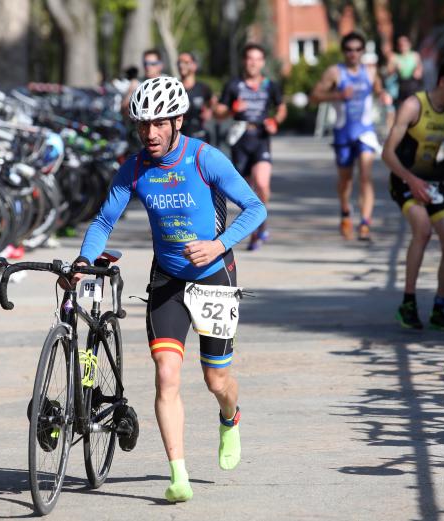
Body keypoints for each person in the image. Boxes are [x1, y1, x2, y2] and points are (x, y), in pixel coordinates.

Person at [73, 76, 266, 503]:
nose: (150, 133)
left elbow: (255, 207)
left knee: (217, 380)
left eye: (159, 123)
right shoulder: (136, 167)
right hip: (168, 280)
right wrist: (84, 262)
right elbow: (104, 221)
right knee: (166, 376)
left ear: (177, 120)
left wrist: (218, 244)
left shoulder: (204, 158)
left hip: (215, 276)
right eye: (142, 125)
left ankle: (230, 418)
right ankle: (178, 474)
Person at [381, 58, 444, 331]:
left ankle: (439, 308)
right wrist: (411, 180)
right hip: (403, 179)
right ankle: (408, 303)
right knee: (422, 229)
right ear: (443, 81)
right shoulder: (414, 106)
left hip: (433, 181)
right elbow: (387, 153)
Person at [311, 32, 383, 241]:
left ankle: (366, 223)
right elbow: (314, 96)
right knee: (345, 180)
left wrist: (383, 95)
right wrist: (337, 95)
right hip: (343, 133)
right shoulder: (335, 73)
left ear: (362, 51)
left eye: (358, 50)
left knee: (366, 177)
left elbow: (378, 90)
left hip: (365, 132)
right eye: (349, 50)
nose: (353, 54)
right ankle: (345, 212)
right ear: (344, 52)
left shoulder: (370, 72)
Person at [215, 43, 286, 251]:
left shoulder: (269, 85)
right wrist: (231, 109)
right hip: (240, 140)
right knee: (245, 192)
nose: (253, 63)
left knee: (262, 185)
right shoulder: (234, 85)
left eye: (257, 59)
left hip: (261, 138)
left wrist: (275, 121)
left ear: (263, 62)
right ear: (244, 61)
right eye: (249, 58)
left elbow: (281, 108)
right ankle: (255, 227)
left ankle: (259, 228)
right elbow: (218, 111)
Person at [177, 51, 215, 142]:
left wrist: (210, 110)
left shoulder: (203, 88)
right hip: (179, 139)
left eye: (186, 62)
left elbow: (213, 103)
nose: (181, 65)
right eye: (179, 62)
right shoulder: (174, 88)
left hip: (199, 137)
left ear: (194, 65)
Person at [122, 49, 165, 117]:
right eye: (145, 63)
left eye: (152, 64)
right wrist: (130, 93)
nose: (148, 67)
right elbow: (125, 112)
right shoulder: (138, 84)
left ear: (160, 65)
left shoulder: (167, 83)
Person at [388, 35, 423, 107]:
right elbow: (389, 72)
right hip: (400, 86)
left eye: (405, 44)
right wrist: (395, 68)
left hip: (413, 85)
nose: (403, 47)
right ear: (398, 46)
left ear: (409, 45)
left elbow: (420, 72)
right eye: (401, 45)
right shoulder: (394, 57)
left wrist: (417, 71)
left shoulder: (415, 55)